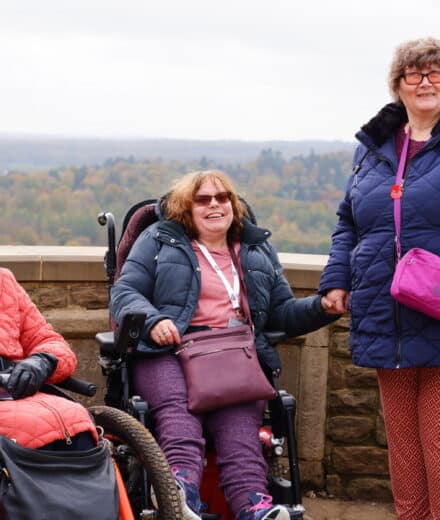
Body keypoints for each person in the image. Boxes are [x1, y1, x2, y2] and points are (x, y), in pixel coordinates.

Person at [110, 169, 336, 520]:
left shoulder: (256, 249)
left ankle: (255, 507)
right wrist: (154, 321)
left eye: (222, 197)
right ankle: (178, 497)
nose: (215, 205)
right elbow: (125, 292)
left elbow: (281, 313)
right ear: (187, 208)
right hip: (170, 348)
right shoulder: (157, 239)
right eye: (203, 199)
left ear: (233, 204)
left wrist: (322, 307)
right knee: (178, 415)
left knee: (241, 429)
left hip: (232, 353)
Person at [319, 37, 440, 520]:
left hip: (435, 310)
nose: (426, 81)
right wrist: (335, 278)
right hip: (384, 309)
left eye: (435, 72)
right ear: (398, 84)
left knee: (437, 443)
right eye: (415, 73)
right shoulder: (373, 149)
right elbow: (349, 221)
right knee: (404, 448)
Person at [0, 267, 98, 449]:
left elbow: (48, 340)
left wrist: (41, 362)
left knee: (77, 421)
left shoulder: (3, 281)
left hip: (16, 391)